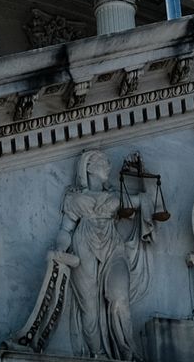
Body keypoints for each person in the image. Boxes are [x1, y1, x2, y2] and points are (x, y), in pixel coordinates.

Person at [53, 149, 151, 359]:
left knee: (119, 297)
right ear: (88, 167)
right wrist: (61, 247)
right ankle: (98, 354)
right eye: (103, 162)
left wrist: (141, 171)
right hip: (84, 246)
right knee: (89, 307)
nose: (108, 166)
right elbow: (65, 230)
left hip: (113, 248)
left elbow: (144, 200)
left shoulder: (115, 195)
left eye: (108, 162)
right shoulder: (76, 198)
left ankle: (128, 352)